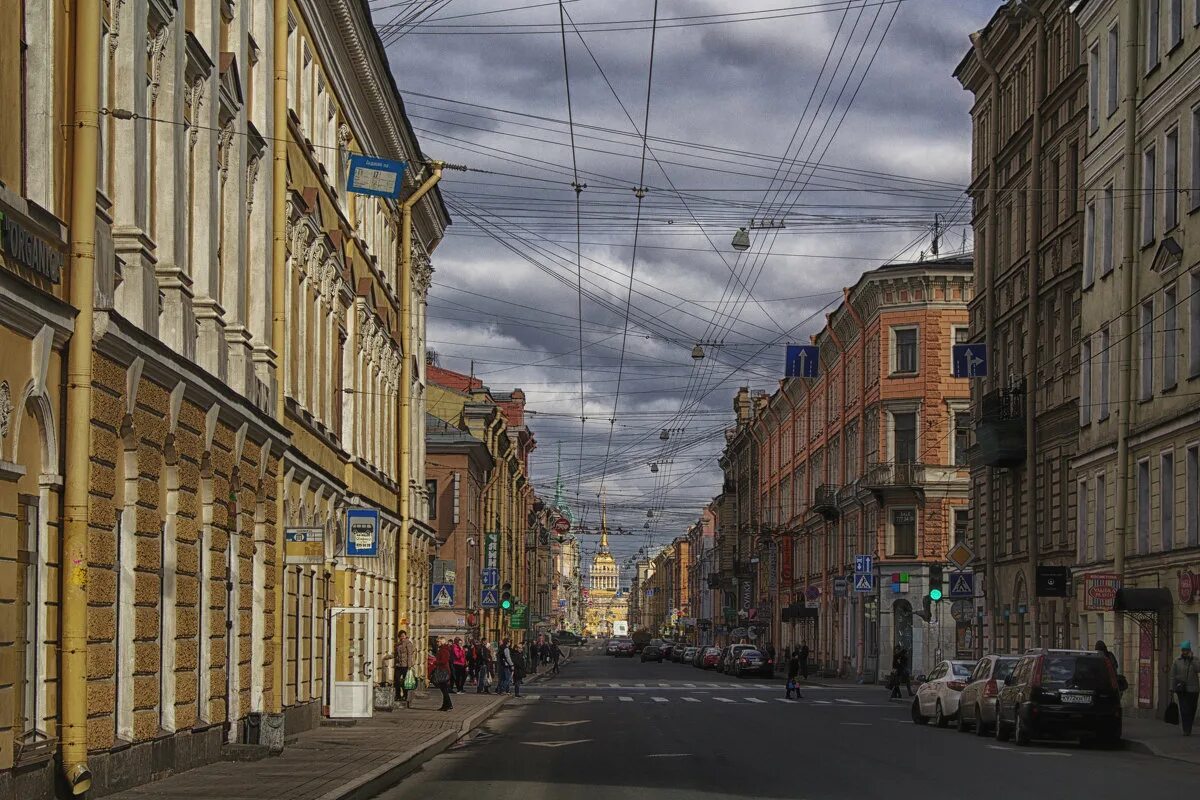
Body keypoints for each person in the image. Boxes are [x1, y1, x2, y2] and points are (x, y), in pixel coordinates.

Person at [1172, 641, 1200, 736]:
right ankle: (1186, 729)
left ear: (1190, 650)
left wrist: (1191, 659)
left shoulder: (1195, 659)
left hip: (1193, 689)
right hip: (1181, 689)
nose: (1184, 652)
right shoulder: (1177, 661)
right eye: (1183, 650)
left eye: (1186, 650)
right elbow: (1173, 675)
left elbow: (1198, 669)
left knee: (1192, 709)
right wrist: (1172, 687)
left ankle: (1189, 726)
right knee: (1184, 709)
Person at [384, 631, 416, 704]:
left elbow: (410, 655)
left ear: (405, 636)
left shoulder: (408, 644)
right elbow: (395, 655)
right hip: (398, 665)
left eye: (403, 636)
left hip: (405, 666)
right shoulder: (398, 644)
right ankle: (397, 695)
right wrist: (387, 657)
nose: (402, 637)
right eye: (400, 636)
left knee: (405, 682)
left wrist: (409, 666)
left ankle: (405, 695)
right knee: (396, 680)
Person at [433, 638, 454, 712]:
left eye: (438, 642)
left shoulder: (444, 650)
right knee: (443, 689)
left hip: (444, 671)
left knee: (444, 689)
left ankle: (448, 705)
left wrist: (435, 662)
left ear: (442, 642)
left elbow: (444, 661)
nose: (437, 643)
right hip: (443, 670)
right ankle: (446, 705)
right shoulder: (442, 649)